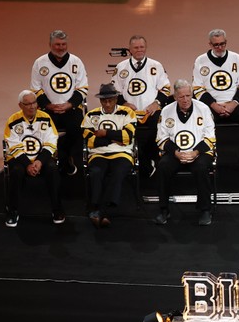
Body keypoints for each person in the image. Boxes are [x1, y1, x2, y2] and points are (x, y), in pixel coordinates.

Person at [154, 80, 216, 226]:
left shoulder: (204, 108)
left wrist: (195, 152)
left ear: (192, 93)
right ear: (175, 96)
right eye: (181, 97)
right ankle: (164, 210)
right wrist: (176, 153)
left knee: (201, 168)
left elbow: (210, 136)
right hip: (175, 153)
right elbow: (161, 138)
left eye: (188, 95)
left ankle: (205, 210)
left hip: (199, 152)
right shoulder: (166, 110)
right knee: (163, 167)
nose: (186, 99)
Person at [111, 35, 172, 177]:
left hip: (150, 111)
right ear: (130, 49)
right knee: (127, 134)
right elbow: (115, 91)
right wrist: (124, 103)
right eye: (136, 47)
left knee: (158, 129)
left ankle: (154, 160)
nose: (139, 50)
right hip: (128, 112)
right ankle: (142, 163)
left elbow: (166, 89)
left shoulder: (156, 65)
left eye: (142, 47)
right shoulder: (121, 67)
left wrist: (156, 103)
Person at [30, 29, 88, 175]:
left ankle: (64, 156)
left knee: (79, 129)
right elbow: (35, 89)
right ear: (50, 44)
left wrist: (69, 104)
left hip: (71, 109)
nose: (61, 47)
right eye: (57, 44)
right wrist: (49, 105)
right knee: (42, 132)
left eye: (63, 44)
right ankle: (48, 161)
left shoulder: (76, 62)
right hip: (47, 110)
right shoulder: (39, 63)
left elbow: (83, 88)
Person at [3, 90, 64, 227]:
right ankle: (13, 211)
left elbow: (51, 141)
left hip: (40, 158)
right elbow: (13, 145)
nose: (32, 106)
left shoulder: (46, 118)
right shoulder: (13, 121)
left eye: (34, 103)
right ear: (20, 105)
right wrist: (27, 164)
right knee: (17, 172)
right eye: (28, 104)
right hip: (19, 159)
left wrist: (39, 161)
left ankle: (57, 209)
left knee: (53, 169)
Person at [81, 83, 136, 228]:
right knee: (96, 172)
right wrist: (115, 137)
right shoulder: (91, 115)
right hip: (98, 155)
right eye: (104, 101)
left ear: (116, 98)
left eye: (110, 100)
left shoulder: (127, 113)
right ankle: (103, 211)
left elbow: (127, 137)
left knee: (117, 172)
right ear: (100, 101)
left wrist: (104, 133)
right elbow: (90, 140)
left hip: (122, 154)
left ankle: (99, 211)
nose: (107, 103)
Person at [192, 29, 239, 128]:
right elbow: (198, 88)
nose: (220, 47)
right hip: (211, 106)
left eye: (222, 44)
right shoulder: (200, 61)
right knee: (200, 119)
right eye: (216, 45)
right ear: (210, 44)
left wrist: (232, 104)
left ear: (226, 42)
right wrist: (214, 105)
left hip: (234, 105)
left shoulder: (237, 58)